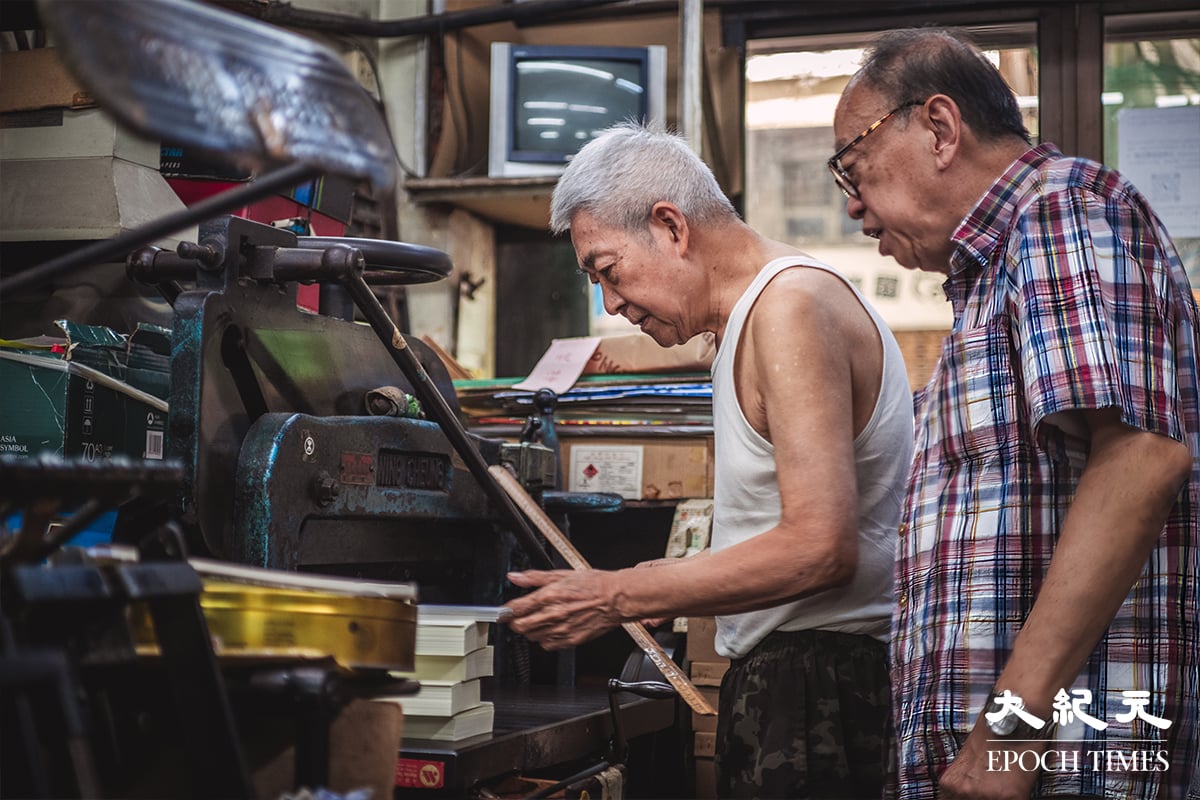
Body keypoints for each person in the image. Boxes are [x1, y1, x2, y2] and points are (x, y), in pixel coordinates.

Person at [830, 27, 1200, 800]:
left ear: (938, 128)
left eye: (853, 169)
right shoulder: (995, 267)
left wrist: (1009, 731)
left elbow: (1140, 459)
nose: (857, 211)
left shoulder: (1058, 211)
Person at [503, 121, 915, 799]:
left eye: (609, 271)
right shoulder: (751, 319)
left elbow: (821, 548)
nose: (611, 303)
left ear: (670, 226)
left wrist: (618, 593)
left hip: (817, 686)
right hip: (799, 680)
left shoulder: (790, 310)